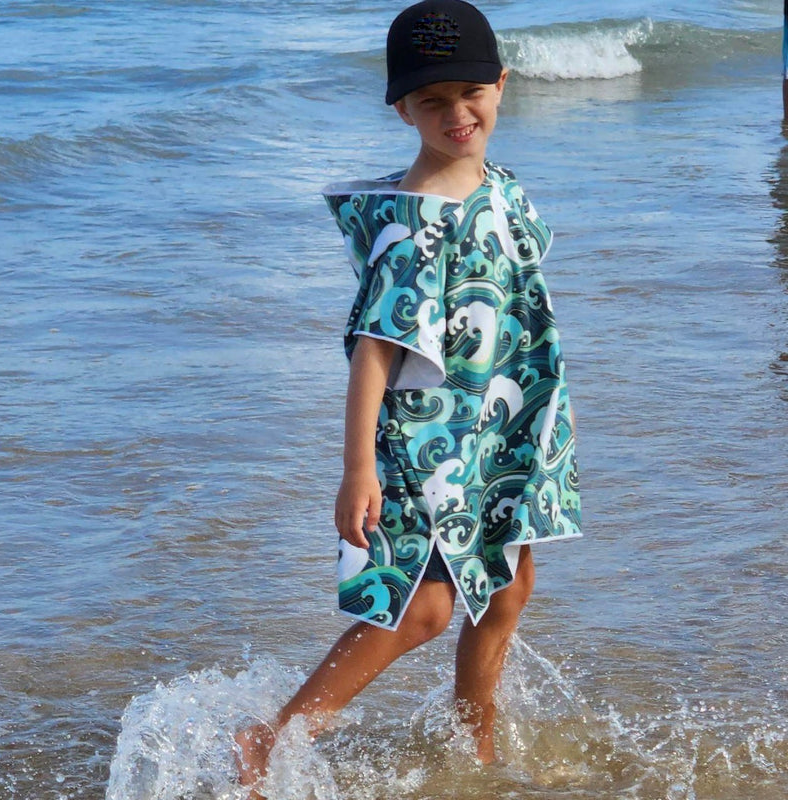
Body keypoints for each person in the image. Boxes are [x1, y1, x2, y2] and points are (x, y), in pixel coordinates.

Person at [235, 0, 581, 795]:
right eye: (432, 100)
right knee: (423, 610)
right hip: (430, 441)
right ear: (401, 108)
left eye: (471, 92)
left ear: (502, 84)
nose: (457, 113)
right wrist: (358, 469)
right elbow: (372, 353)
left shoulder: (500, 186)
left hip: (500, 426)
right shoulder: (415, 227)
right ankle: (274, 738)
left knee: (507, 587)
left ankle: (475, 740)